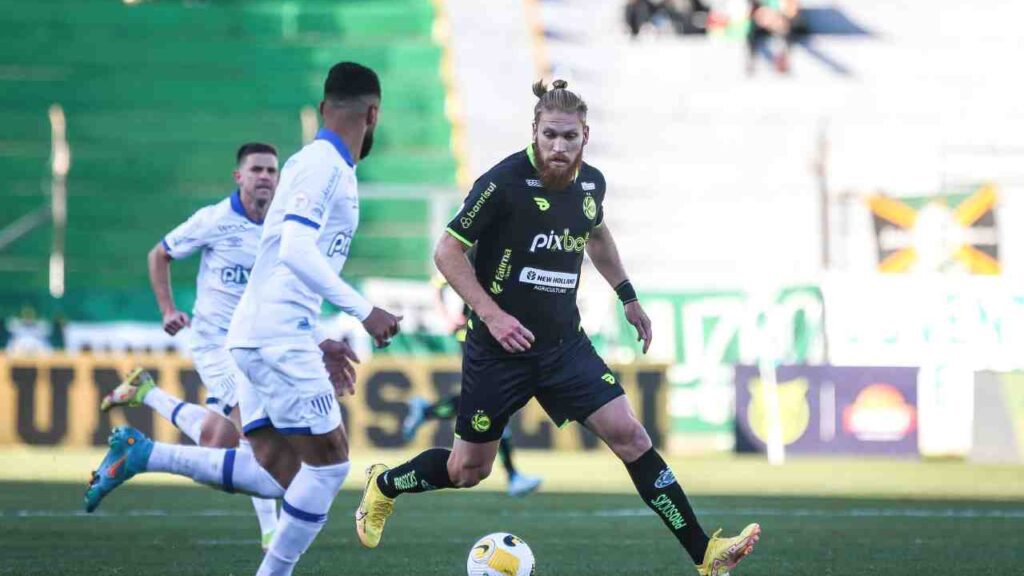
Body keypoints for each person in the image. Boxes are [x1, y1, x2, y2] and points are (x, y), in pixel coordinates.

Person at [355, 79, 760, 576]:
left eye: (570, 136)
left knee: (631, 436)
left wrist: (627, 296)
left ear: (585, 135)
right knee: (468, 470)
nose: (559, 147)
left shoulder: (592, 184)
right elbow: (446, 251)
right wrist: (493, 314)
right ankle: (385, 484)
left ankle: (705, 554)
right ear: (534, 131)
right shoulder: (501, 183)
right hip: (499, 349)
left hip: (564, 345)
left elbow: (597, 233)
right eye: (550, 135)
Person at [84, 61, 403, 576]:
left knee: (283, 473)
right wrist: (365, 312)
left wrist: (316, 337)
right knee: (331, 467)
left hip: (263, 336)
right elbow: (298, 250)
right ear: (373, 114)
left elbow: (277, 262)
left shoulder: (313, 167)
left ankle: (146, 455)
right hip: (273, 340)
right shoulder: (323, 166)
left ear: (324, 109)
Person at [99, 142, 281, 549]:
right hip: (215, 343)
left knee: (216, 441)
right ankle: (273, 532)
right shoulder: (214, 219)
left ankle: (146, 392)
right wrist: (168, 310)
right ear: (239, 176)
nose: (265, 177)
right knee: (255, 432)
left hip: (255, 346)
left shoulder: (282, 225)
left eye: (271, 170)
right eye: (257, 170)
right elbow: (159, 254)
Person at [402, 271, 542, 497]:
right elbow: (437, 283)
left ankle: (427, 411)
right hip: (475, 336)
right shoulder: (473, 251)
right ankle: (513, 475)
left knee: (490, 403)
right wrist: (446, 317)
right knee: (491, 402)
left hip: (500, 337)